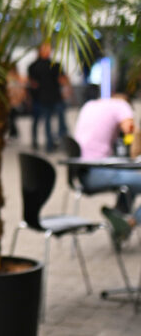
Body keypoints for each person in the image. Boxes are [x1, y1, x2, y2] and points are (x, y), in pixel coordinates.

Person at [73, 92, 141, 242]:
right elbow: (129, 129)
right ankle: (130, 222)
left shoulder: (89, 104)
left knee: (131, 184)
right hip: (98, 171)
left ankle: (119, 215)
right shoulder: (121, 106)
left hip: (80, 172)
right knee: (135, 180)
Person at [28, 41, 70, 152]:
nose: (47, 51)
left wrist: (66, 89)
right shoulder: (34, 66)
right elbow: (33, 83)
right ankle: (49, 144)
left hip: (56, 97)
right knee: (46, 121)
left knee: (61, 120)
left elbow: (63, 80)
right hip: (42, 98)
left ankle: (62, 141)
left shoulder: (55, 65)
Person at [6, 63, 28, 139]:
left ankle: (13, 133)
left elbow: (21, 90)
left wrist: (19, 99)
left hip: (15, 102)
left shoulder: (18, 78)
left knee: (12, 118)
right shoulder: (8, 78)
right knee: (11, 118)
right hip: (11, 102)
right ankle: (13, 132)